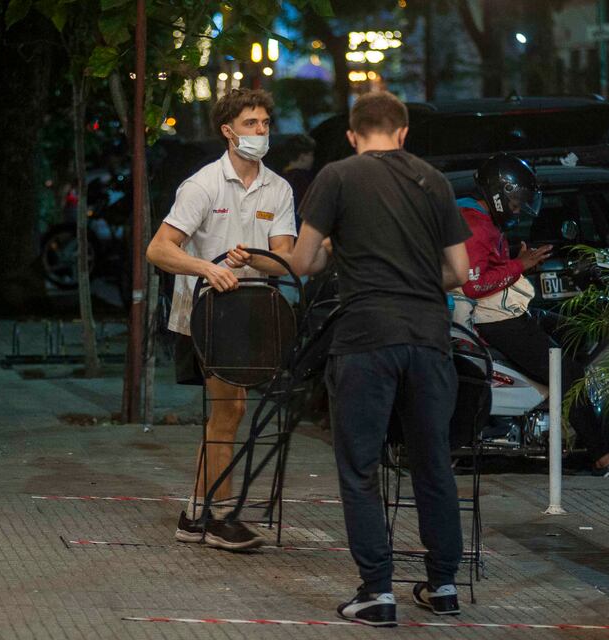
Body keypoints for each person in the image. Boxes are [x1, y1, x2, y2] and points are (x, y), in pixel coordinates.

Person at [290, 91, 471, 626]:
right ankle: (442, 586)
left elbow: (302, 260)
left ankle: (377, 591)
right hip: (430, 338)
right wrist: (413, 278)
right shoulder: (433, 180)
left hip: (366, 336)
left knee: (360, 467)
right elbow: (459, 270)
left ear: (352, 135)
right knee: (433, 464)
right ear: (403, 132)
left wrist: (332, 256)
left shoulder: (337, 176)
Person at [146, 88, 296, 551]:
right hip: (206, 312)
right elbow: (159, 249)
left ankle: (197, 512)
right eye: (251, 123)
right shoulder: (203, 185)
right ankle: (217, 515)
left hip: (253, 313)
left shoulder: (279, 187)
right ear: (227, 131)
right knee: (229, 410)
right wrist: (208, 267)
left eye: (265, 123)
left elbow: (284, 258)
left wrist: (254, 257)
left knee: (226, 413)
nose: (260, 131)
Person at [456, 153, 609, 478]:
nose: (519, 210)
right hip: (492, 317)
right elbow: (474, 285)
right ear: (499, 195)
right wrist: (522, 264)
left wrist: (514, 262)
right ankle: (603, 459)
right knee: (567, 374)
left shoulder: (480, 217)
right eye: (517, 203)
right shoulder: (475, 224)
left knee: (574, 332)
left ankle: (568, 419)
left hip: (505, 307)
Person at [278, 134, 316, 231]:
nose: (313, 159)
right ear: (302, 157)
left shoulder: (278, 179)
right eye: (311, 155)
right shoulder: (305, 180)